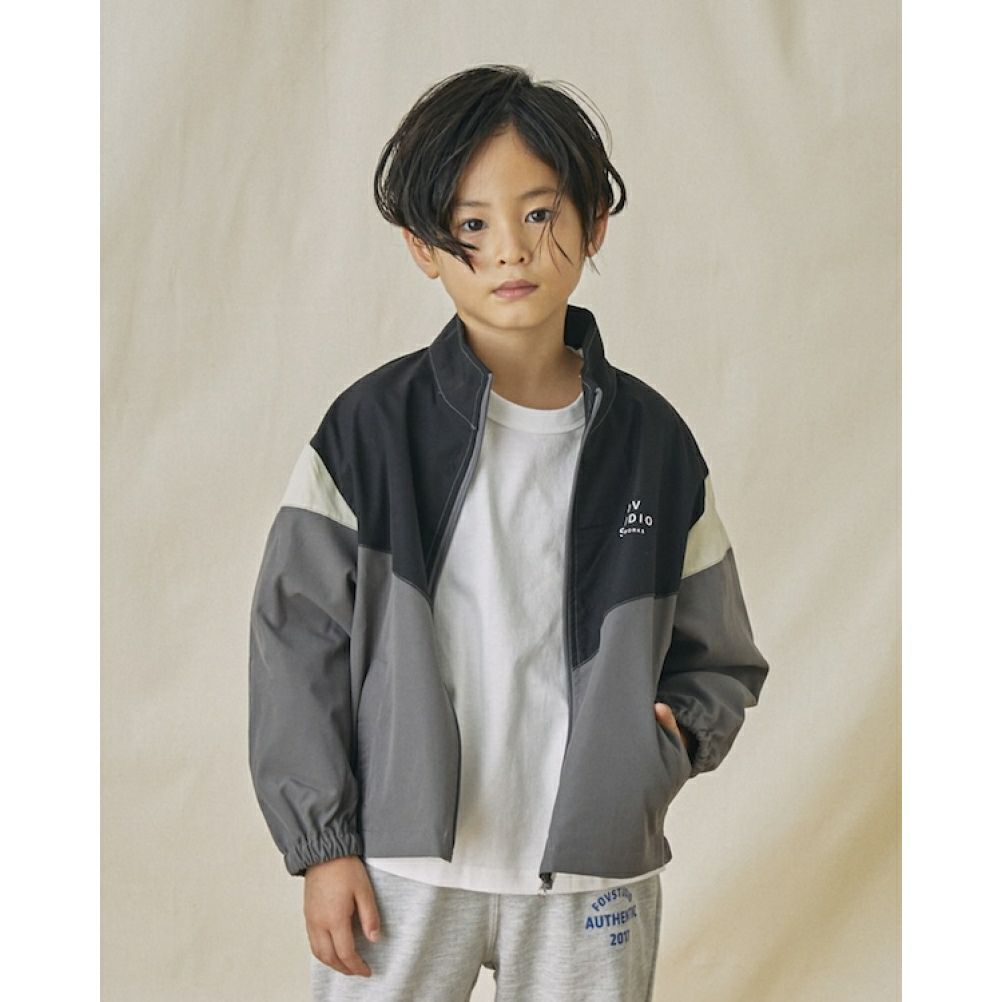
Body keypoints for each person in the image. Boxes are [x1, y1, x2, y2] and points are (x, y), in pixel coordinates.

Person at [248, 64, 769, 1002]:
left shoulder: (653, 446)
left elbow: (720, 654)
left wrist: (664, 748)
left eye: (539, 213)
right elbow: (296, 647)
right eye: (473, 225)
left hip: (594, 875)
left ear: (594, 222)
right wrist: (324, 845)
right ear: (423, 246)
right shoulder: (371, 430)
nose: (510, 251)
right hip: (400, 869)